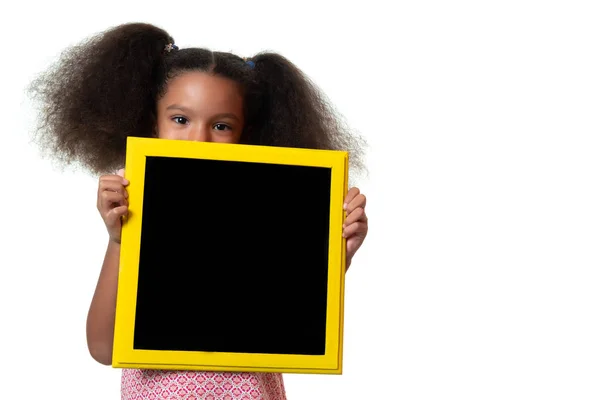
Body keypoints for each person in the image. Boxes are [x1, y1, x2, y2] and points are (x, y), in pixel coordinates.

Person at [28, 22, 369, 400]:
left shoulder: (267, 216)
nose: (198, 138)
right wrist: (117, 239)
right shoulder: (133, 201)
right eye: (180, 120)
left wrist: (334, 253)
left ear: (246, 133)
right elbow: (104, 348)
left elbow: (288, 320)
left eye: (221, 125)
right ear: (151, 123)